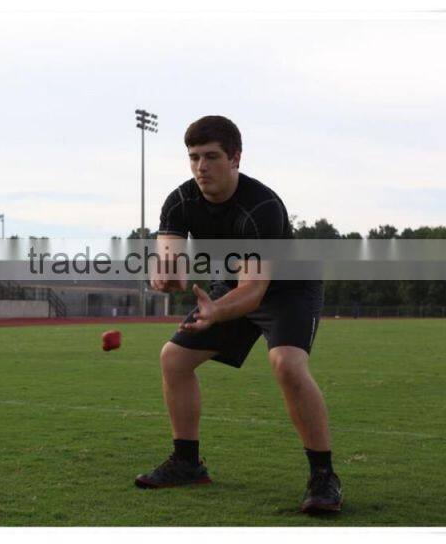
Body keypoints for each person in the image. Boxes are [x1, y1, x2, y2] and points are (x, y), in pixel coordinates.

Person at [134, 115, 342, 513]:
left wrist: (215, 310)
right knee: (174, 359)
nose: (201, 167)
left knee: (287, 365)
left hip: (287, 290)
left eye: (211, 157)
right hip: (230, 289)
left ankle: (323, 477)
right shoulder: (179, 201)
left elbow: (254, 292)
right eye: (193, 157)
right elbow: (169, 259)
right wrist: (165, 274)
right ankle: (187, 464)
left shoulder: (261, 206)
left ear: (235, 159)